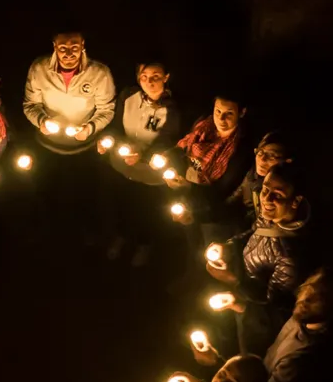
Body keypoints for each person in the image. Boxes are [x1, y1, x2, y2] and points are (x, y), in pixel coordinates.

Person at [22, 30, 116, 247]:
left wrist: (90, 127)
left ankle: (85, 238)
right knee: (47, 193)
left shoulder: (99, 73)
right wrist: (42, 121)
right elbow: (30, 105)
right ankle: (48, 237)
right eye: (62, 47)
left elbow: (107, 109)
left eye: (74, 46)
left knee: (84, 194)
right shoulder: (39, 69)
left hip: (84, 148)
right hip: (48, 148)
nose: (68, 52)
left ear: (83, 44)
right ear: (54, 46)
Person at [209, 163, 313, 354]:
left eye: (278, 195)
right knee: (220, 334)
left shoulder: (291, 256)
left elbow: (273, 308)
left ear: (296, 201)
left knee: (240, 350)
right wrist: (228, 246)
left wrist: (235, 285)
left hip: (250, 315)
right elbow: (254, 232)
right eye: (265, 189)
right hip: (237, 289)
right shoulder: (272, 216)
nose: (267, 198)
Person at [98, 61, 184, 266]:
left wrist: (144, 155)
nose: (149, 81)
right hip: (123, 165)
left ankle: (144, 246)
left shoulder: (172, 108)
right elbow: (116, 125)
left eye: (156, 76)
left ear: (166, 77)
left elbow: (169, 140)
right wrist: (106, 139)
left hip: (150, 173)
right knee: (123, 205)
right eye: (144, 76)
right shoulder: (129, 95)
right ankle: (120, 238)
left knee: (147, 211)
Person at [166, 92, 251, 245]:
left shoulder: (241, 148)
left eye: (229, 113)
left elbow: (224, 190)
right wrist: (167, 156)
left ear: (242, 113)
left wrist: (189, 188)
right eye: (218, 111)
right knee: (188, 236)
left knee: (206, 246)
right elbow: (185, 148)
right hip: (187, 192)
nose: (221, 118)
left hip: (210, 208)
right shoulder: (204, 125)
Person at [224, 131, 294, 231]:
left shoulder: (283, 194)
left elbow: (262, 227)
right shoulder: (252, 175)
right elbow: (237, 196)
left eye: (272, 155)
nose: (262, 159)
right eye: (260, 152)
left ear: (287, 161)